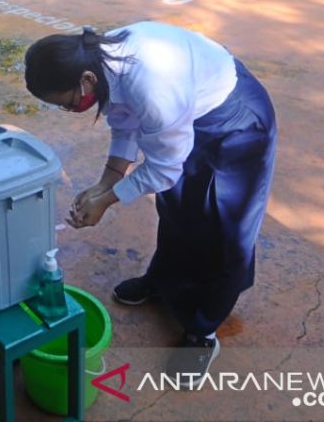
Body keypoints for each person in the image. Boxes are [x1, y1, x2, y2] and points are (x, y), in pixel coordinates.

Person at [22, 22, 277, 382]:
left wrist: (108, 200)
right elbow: (125, 121)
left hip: (233, 123)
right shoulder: (102, 62)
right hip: (185, 112)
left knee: (224, 227)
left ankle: (203, 332)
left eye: (66, 104)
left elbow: (163, 167)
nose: (68, 111)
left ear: (86, 81)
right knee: (176, 207)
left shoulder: (150, 84)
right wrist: (106, 181)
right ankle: (164, 280)